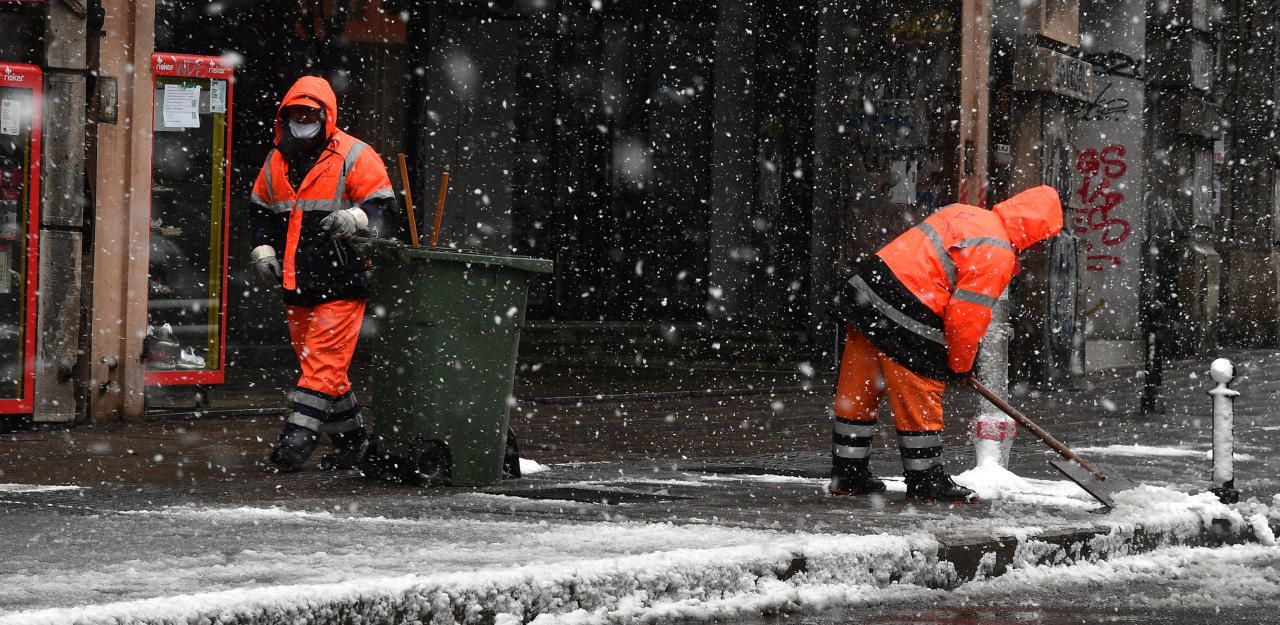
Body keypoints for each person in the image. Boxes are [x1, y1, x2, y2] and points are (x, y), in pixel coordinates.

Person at [826, 185, 1063, 503]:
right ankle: (926, 482)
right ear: (1035, 231)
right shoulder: (997, 251)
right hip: (909, 311)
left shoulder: (964, 213)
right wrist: (960, 366)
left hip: (868, 294)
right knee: (919, 395)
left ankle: (848, 474)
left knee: (858, 391)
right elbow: (965, 318)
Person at [249, 76, 396, 473]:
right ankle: (354, 445)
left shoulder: (354, 155)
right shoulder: (276, 160)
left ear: (326, 116)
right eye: (296, 113)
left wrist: (355, 217)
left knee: (321, 367)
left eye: (310, 114)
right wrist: (262, 247)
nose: (302, 120)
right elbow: (261, 210)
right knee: (325, 370)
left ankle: (295, 444)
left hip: (343, 281)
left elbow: (385, 210)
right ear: (285, 117)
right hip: (297, 283)